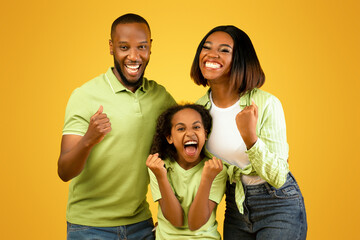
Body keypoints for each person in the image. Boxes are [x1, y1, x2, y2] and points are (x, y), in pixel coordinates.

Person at [57, 13, 176, 240]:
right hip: (90, 227)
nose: (134, 56)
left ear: (150, 47)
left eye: (141, 47)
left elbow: (181, 152)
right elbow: (64, 171)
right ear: (111, 47)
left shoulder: (161, 98)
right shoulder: (84, 96)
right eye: (124, 47)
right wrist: (88, 139)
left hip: (141, 223)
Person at [191, 25, 307, 240]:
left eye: (224, 50)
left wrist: (250, 139)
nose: (212, 54)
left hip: (277, 203)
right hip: (236, 205)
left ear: (241, 59)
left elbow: (278, 176)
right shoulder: (198, 110)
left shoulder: (266, 103)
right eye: (206, 48)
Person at [147, 104, 227, 239]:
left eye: (196, 127)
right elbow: (176, 220)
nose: (190, 133)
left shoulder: (216, 169)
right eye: (181, 128)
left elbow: (196, 223)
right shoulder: (159, 167)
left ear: (205, 134)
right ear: (169, 138)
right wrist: (161, 177)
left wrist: (207, 179)